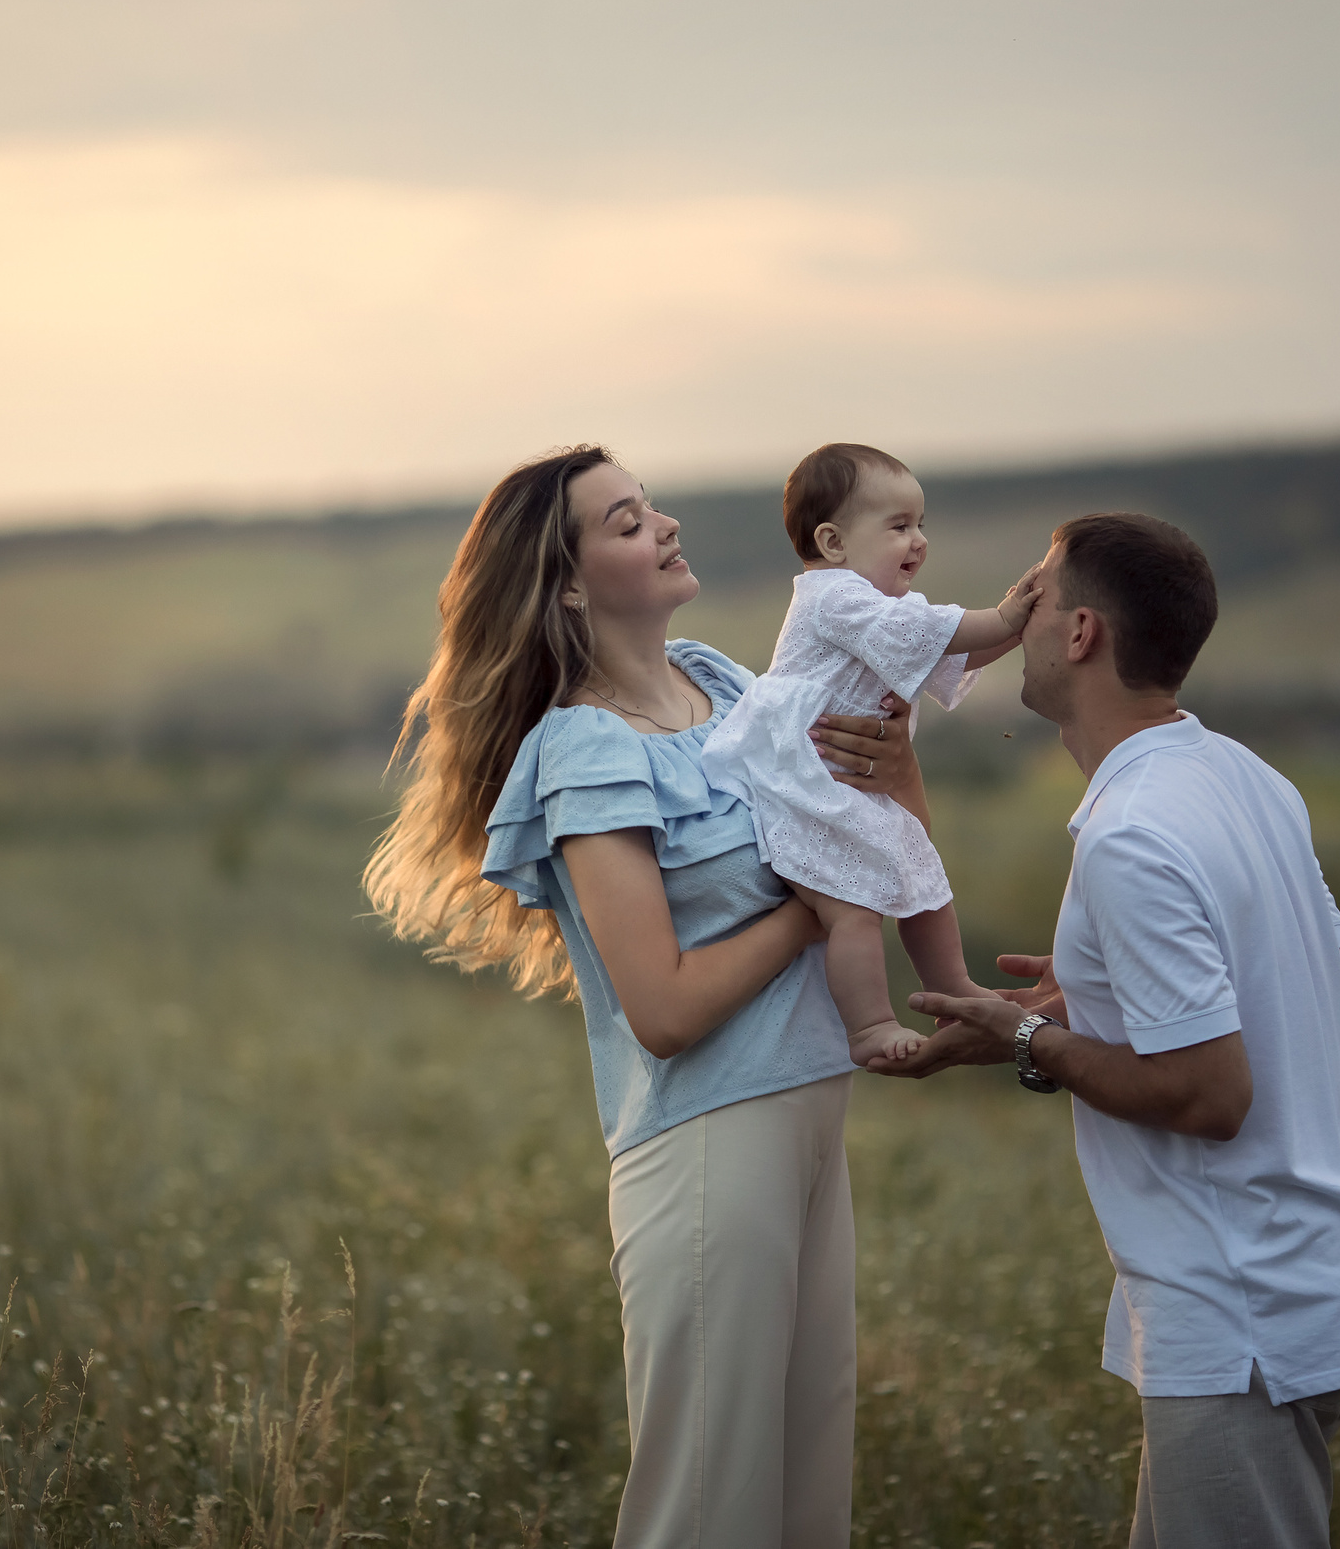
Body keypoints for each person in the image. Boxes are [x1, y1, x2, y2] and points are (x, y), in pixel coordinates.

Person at [363, 445, 943, 1549]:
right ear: (570, 581)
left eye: (649, 506)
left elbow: (870, 837)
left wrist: (893, 772)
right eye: (626, 522)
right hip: (709, 1149)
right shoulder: (584, 751)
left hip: (814, 1123)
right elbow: (664, 1009)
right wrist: (815, 907)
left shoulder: (726, 684)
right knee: (708, 1516)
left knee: (807, 1506)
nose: (663, 525)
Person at [904, 511, 1340, 1549]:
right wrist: (1102, 996)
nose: (1014, 614)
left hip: (1240, 1316)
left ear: (1081, 632)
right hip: (1302, 1287)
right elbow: (1334, 1011)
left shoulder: (1133, 835)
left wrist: (1021, 1041)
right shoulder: (1247, 781)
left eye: (1031, 593)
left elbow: (1210, 1096)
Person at [701, 443, 1039, 1065]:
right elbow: (958, 632)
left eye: (921, 525)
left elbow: (951, 652)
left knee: (925, 883)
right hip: (803, 785)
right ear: (832, 543)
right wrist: (1007, 613)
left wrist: (1017, 628)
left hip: (850, 786)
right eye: (899, 526)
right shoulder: (833, 597)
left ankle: (952, 988)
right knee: (852, 909)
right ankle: (869, 1026)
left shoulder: (883, 610)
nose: (919, 541)